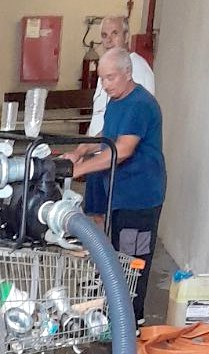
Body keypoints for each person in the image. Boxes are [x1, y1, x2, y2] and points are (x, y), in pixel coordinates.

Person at [63, 49, 166, 325]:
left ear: (127, 73)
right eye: (102, 79)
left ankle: (132, 321)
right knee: (118, 253)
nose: (105, 85)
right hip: (119, 194)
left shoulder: (140, 104)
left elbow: (122, 149)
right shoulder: (116, 101)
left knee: (133, 259)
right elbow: (107, 137)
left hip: (140, 197)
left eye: (110, 78)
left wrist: (79, 170)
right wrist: (81, 150)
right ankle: (115, 313)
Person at [71, 16, 156, 218]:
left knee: (121, 231)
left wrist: (79, 169)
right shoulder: (113, 86)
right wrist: (81, 150)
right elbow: (108, 132)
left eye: (115, 33)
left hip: (130, 180)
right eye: (104, 35)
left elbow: (125, 145)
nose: (108, 39)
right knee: (96, 217)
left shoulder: (136, 83)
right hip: (102, 161)